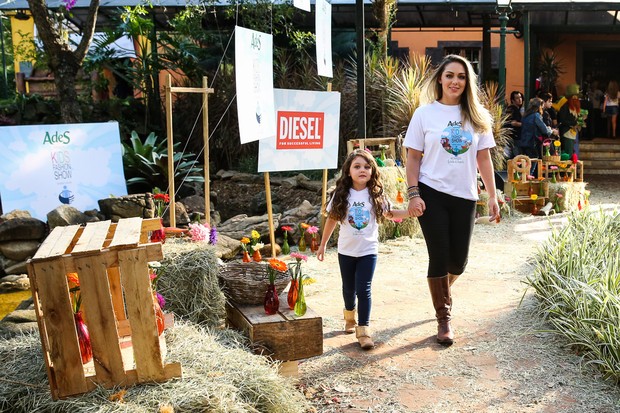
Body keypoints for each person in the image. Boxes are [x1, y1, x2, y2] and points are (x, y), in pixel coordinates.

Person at [402, 54, 499, 345]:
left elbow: (484, 157)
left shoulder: (478, 116)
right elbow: (413, 157)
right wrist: (413, 193)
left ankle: (442, 288)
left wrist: (493, 195)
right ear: (440, 79)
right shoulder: (424, 114)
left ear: (467, 82)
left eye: (461, 76)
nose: (455, 81)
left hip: (465, 195)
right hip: (431, 192)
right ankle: (443, 318)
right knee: (439, 255)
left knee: (458, 262)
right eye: (450, 75)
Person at [316, 149, 410, 350]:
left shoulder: (376, 194)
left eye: (367, 167)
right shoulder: (341, 194)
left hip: (368, 250)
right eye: (357, 166)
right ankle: (349, 316)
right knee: (348, 289)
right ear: (348, 171)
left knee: (363, 289)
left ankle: (364, 330)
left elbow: (389, 214)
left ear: (372, 171)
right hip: (346, 251)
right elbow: (332, 219)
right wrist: (323, 244)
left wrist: (410, 212)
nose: (362, 170)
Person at [519, 97, 559, 165]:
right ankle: (531, 175)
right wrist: (552, 130)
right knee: (534, 162)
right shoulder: (536, 115)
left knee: (527, 163)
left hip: (524, 141)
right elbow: (544, 130)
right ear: (539, 106)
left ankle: (527, 175)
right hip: (532, 142)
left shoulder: (525, 116)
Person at [558, 83, 585, 157]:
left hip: (574, 133)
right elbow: (562, 120)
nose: (575, 99)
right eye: (573, 97)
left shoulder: (577, 109)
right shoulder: (565, 107)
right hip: (567, 133)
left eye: (577, 97)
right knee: (568, 152)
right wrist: (573, 123)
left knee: (574, 152)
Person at [505, 90, 524, 158]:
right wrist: (524, 125)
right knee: (517, 156)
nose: (520, 99)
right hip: (514, 136)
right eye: (517, 98)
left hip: (513, 136)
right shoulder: (513, 109)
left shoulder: (516, 109)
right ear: (512, 100)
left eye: (520, 97)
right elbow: (513, 123)